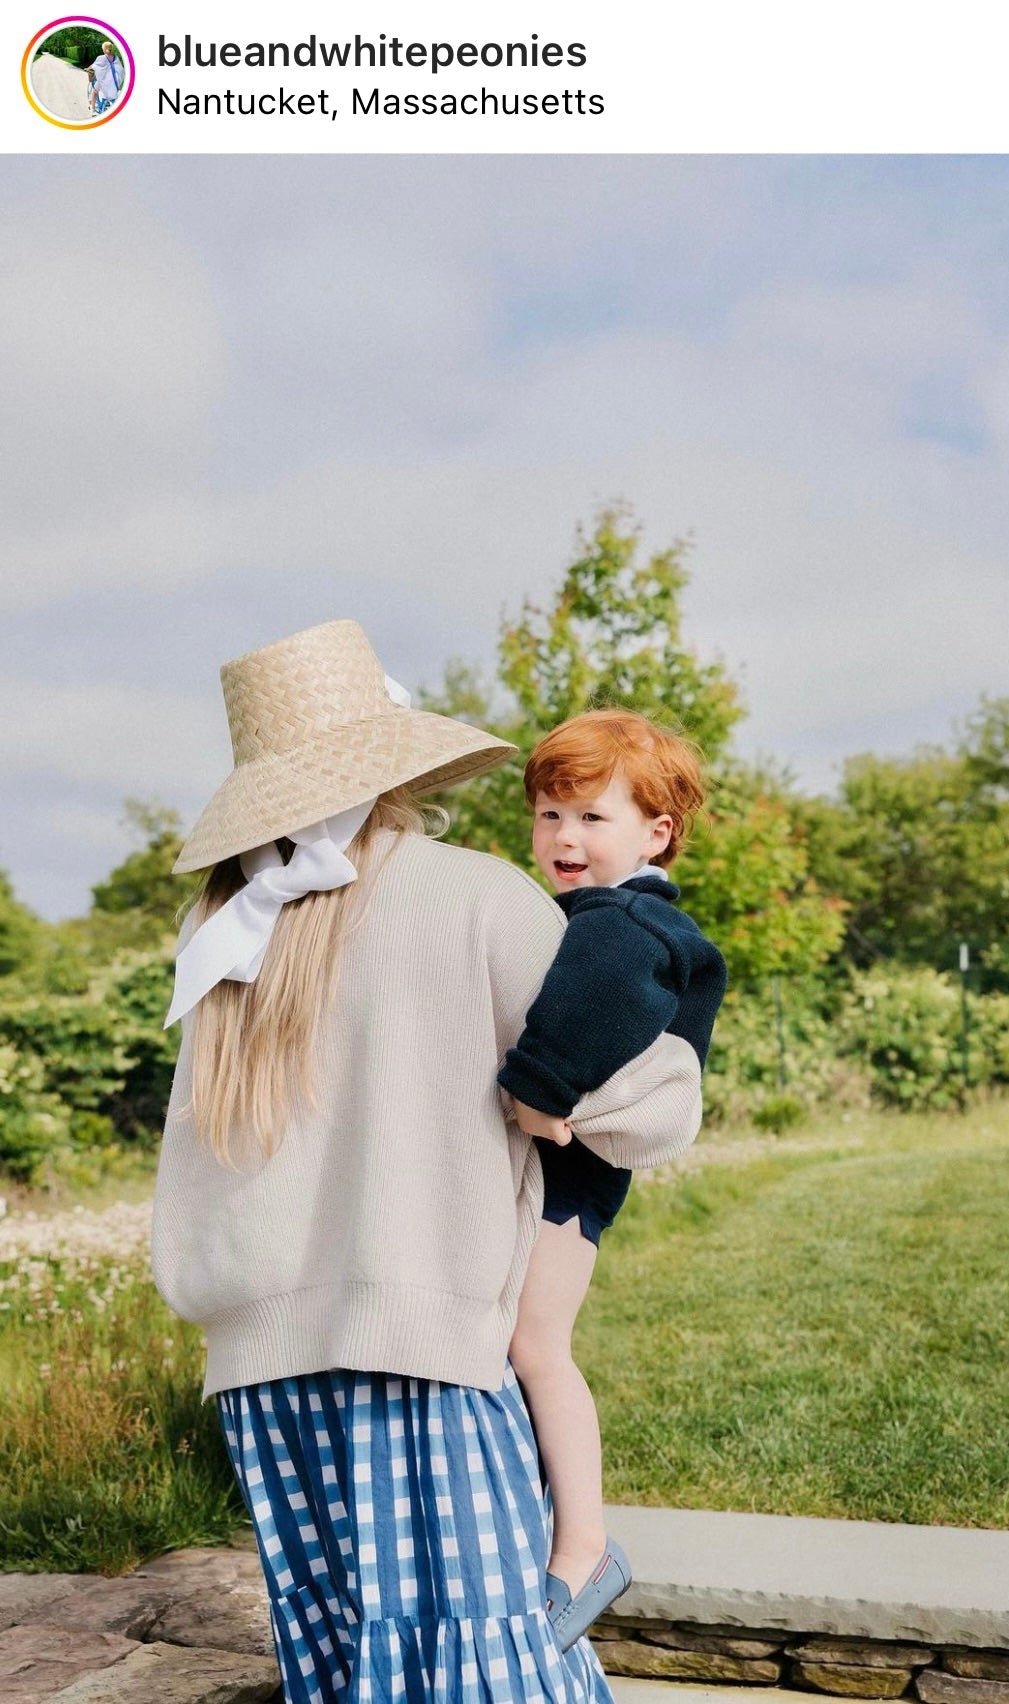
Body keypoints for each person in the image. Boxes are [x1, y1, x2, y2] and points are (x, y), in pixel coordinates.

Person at [151, 620, 705, 1703]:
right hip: (424, 1357)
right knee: (486, 1668)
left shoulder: (221, 928)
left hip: (261, 1380)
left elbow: (196, 1158)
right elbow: (645, 1110)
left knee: (347, 1664)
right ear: (395, 757)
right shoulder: (477, 897)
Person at [497, 711, 727, 1650]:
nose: (563, 839)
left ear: (656, 832)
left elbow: (579, 1029)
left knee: (536, 1345)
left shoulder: (624, 921)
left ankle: (583, 1549)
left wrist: (530, 1093)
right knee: (524, 1345)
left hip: (564, 1179)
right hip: (568, 1177)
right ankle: (551, 1525)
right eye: (550, 816)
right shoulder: (604, 915)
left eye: (592, 817)